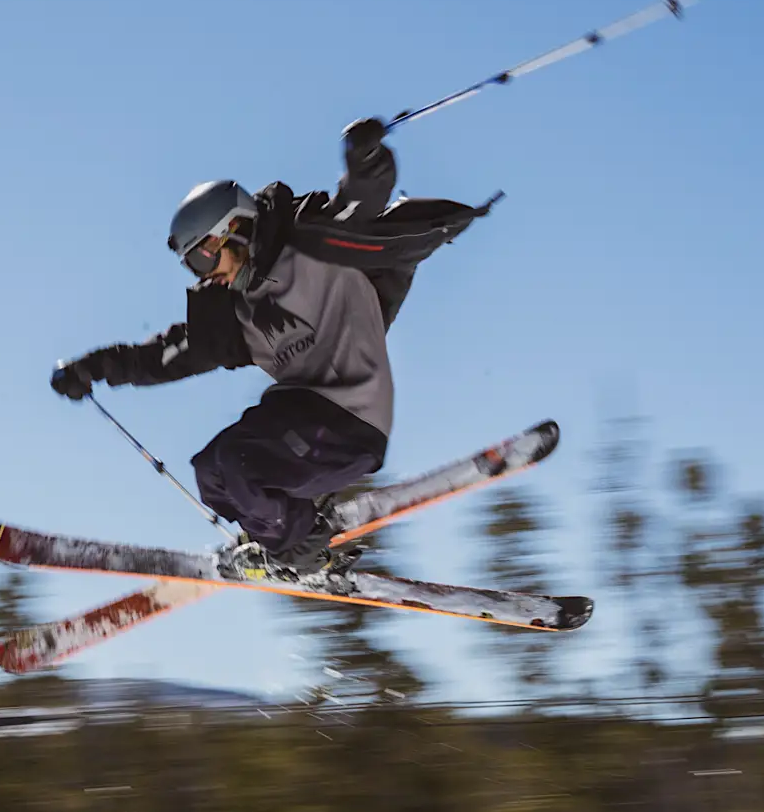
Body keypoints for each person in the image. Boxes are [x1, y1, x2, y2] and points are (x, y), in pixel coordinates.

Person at [50, 118, 496, 579]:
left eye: (202, 256)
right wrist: (94, 367)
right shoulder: (237, 314)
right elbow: (165, 355)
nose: (202, 274)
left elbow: (359, 204)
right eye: (189, 265)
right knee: (212, 474)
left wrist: (366, 160)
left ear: (236, 228)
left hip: (350, 420)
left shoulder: (313, 246)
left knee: (235, 466)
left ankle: (299, 544)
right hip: (297, 421)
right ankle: (279, 539)